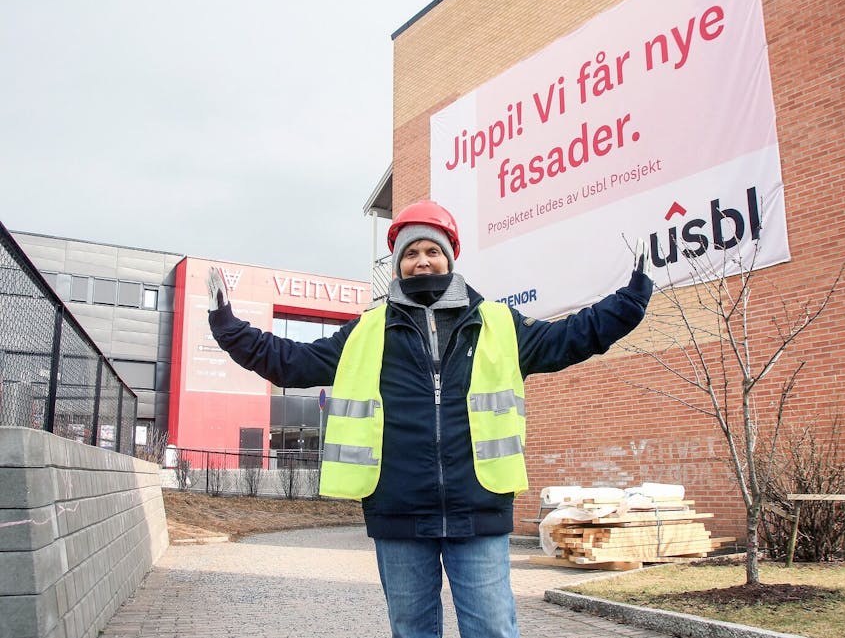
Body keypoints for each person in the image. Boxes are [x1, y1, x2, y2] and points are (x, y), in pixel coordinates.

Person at [206, 200, 653, 638]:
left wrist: (631, 299)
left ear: (449, 259)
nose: (422, 261)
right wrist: (228, 325)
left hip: (478, 508)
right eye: (412, 253)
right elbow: (290, 361)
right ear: (399, 264)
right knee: (413, 630)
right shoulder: (367, 331)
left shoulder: (498, 324)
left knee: (493, 629)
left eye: (432, 251)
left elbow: (573, 336)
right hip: (398, 512)